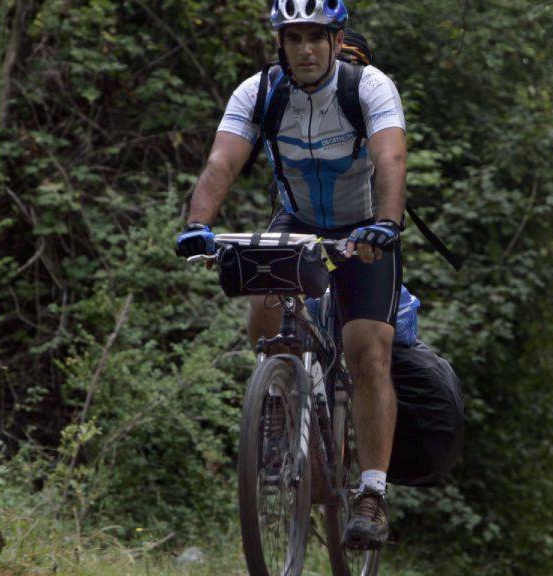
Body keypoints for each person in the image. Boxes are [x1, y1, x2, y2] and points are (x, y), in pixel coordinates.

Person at [175, 0, 406, 549]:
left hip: (363, 228)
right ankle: (278, 407)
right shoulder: (258, 92)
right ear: (280, 44)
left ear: (336, 41)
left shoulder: (369, 87)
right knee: (264, 310)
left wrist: (385, 224)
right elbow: (222, 163)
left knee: (368, 349)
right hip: (296, 222)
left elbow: (390, 160)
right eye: (294, 38)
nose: (305, 49)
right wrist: (197, 225)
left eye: (316, 37)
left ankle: (372, 493)